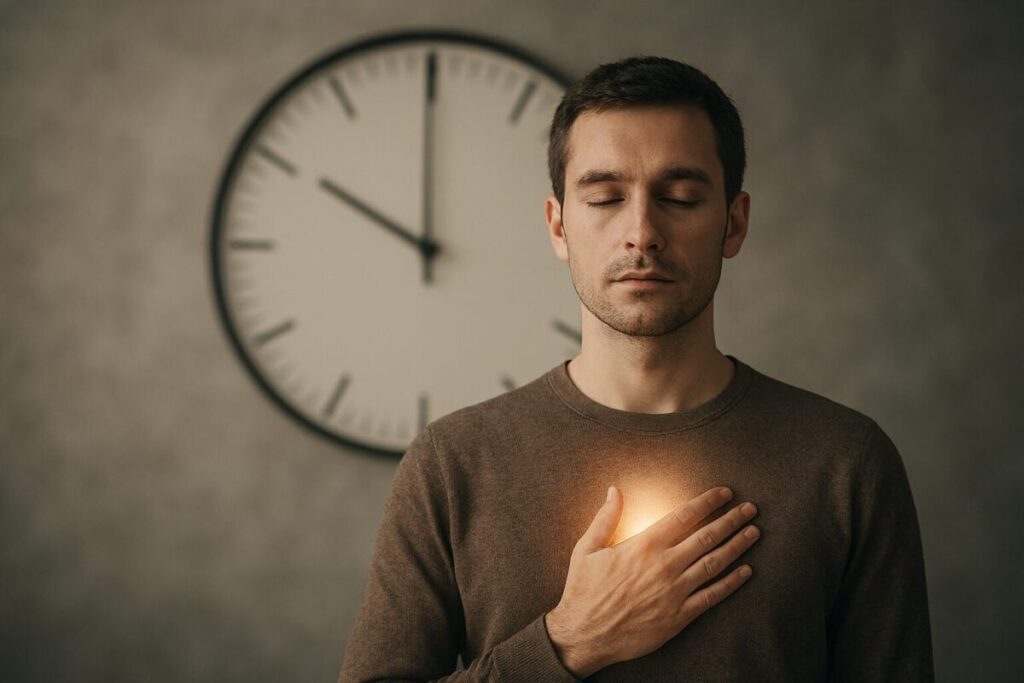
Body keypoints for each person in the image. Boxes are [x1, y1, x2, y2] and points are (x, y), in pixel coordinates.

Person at [339, 56, 934, 681]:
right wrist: (568, 642)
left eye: (679, 197)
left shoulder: (845, 461)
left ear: (734, 222)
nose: (642, 232)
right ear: (558, 225)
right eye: (604, 197)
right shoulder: (452, 463)